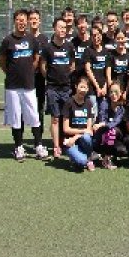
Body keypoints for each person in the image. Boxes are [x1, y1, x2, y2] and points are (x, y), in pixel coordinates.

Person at [0, 9, 47, 162]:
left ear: (27, 22)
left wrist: (28, 73)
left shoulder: (32, 39)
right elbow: (3, 63)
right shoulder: (8, 40)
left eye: (24, 20)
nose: (22, 23)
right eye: (19, 20)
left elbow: (36, 59)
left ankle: (38, 145)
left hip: (29, 85)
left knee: (34, 116)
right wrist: (12, 74)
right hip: (12, 87)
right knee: (15, 117)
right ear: (14, 21)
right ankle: (19, 147)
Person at [40, 17, 76, 159]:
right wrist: (52, 78)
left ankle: (66, 143)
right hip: (52, 88)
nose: (62, 30)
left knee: (66, 118)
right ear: (54, 28)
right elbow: (43, 68)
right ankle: (56, 147)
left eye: (64, 28)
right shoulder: (47, 48)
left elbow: (72, 66)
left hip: (66, 88)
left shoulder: (70, 47)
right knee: (55, 118)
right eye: (60, 27)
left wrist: (64, 77)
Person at [62, 76, 95, 171]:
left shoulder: (89, 103)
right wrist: (82, 132)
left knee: (87, 137)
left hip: (80, 138)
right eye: (81, 87)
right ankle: (80, 158)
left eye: (85, 87)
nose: (83, 90)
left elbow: (89, 130)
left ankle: (89, 159)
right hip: (69, 141)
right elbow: (66, 129)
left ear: (88, 89)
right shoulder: (69, 103)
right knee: (81, 161)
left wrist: (76, 137)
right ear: (76, 86)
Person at [93, 81, 128, 170]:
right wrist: (103, 124)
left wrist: (104, 124)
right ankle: (106, 159)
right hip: (102, 135)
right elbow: (102, 119)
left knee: (122, 150)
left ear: (121, 93)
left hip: (115, 136)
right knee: (111, 131)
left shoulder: (122, 108)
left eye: (116, 92)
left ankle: (108, 155)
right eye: (111, 92)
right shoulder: (104, 104)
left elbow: (115, 122)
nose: (113, 95)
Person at [28, 9, 49, 134]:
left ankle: (38, 136)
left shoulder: (44, 39)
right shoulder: (24, 38)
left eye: (35, 19)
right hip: (26, 79)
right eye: (31, 19)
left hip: (40, 78)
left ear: (39, 21)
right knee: (25, 107)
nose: (33, 21)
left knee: (40, 106)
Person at [83, 26, 109, 120]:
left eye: (98, 35)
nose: (96, 37)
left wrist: (105, 87)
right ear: (91, 37)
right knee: (93, 116)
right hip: (92, 90)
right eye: (93, 35)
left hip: (104, 90)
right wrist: (97, 87)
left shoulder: (106, 52)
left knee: (103, 115)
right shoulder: (88, 51)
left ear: (101, 35)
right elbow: (88, 70)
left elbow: (108, 72)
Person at [106, 30, 129, 101]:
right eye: (118, 38)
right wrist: (112, 90)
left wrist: (126, 92)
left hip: (126, 90)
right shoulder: (110, 55)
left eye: (122, 38)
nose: (120, 40)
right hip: (114, 91)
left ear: (125, 39)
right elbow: (108, 75)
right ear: (115, 40)